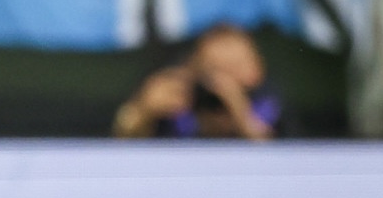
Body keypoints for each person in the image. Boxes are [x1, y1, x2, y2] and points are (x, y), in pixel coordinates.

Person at [111, 22, 280, 139]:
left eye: (235, 67)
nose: (221, 82)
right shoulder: (181, 95)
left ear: (257, 69)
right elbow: (123, 136)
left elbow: (264, 143)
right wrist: (144, 110)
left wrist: (237, 105)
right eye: (214, 69)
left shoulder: (261, 96)